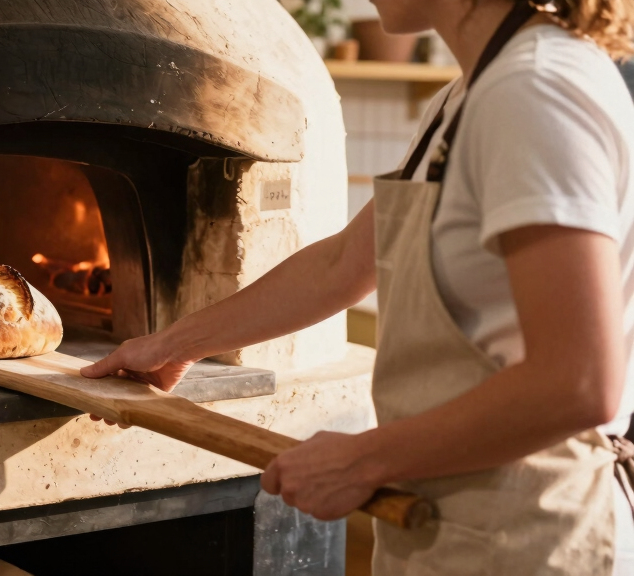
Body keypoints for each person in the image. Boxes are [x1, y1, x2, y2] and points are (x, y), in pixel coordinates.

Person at [80, 0, 634, 573]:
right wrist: (173, 344)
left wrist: (361, 460)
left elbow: (579, 382)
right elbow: (344, 263)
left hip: (532, 534)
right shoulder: (467, 96)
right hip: (451, 519)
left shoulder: (537, 91)